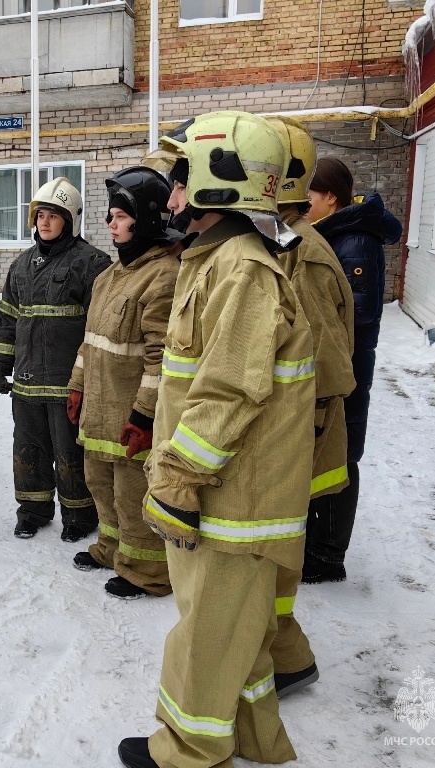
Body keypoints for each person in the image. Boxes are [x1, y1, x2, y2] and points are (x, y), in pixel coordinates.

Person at [118, 111, 315, 768]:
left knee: (206, 635)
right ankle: (255, 739)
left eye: (178, 184)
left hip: (235, 498)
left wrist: (177, 477)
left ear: (216, 185)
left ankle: (188, 751)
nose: (169, 200)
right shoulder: (217, 261)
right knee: (236, 637)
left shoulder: (242, 270)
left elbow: (230, 388)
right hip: (225, 491)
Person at [267, 118, 356, 698]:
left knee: (277, 551)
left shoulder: (308, 254)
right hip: (288, 429)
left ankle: (286, 657)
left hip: (299, 430)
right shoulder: (284, 242)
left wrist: (299, 432)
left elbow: (324, 364)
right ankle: (285, 654)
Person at [68, 166, 180, 600]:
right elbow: (90, 343)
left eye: (119, 215)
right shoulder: (109, 277)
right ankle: (112, 548)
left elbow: (161, 357)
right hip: (100, 407)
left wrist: (144, 414)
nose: (110, 224)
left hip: (130, 412)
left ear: (147, 220)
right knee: (100, 484)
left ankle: (147, 571)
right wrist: (77, 386)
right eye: (110, 215)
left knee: (133, 490)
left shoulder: (163, 277)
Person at [0, 178, 111, 541]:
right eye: (40, 215)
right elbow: (8, 319)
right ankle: (33, 511)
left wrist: (87, 379)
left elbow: (99, 330)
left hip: (68, 385)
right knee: (29, 450)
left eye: (53, 215)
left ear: (69, 220)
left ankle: (79, 517)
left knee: (71, 452)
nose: (44, 222)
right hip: (27, 384)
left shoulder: (91, 263)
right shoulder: (22, 265)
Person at [303, 157, 402, 583]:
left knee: (341, 456)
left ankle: (327, 556)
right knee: (328, 451)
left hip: (349, 372)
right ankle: (319, 544)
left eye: (308, 194)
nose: (303, 203)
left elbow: (352, 324)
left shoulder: (355, 242)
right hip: (338, 369)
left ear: (331, 197)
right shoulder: (336, 235)